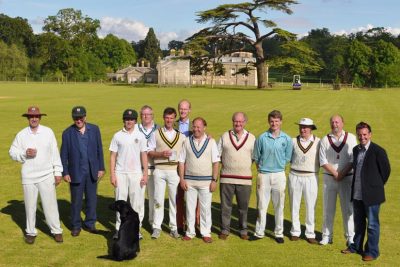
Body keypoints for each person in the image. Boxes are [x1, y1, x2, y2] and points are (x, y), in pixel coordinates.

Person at [9, 106, 64, 244]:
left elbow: (55, 153)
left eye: (36, 116)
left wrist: (57, 172)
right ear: (28, 118)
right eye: (31, 116)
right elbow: (12, 152)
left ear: (40, 118)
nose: (34, 119)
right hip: (28, 176)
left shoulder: (48, 132)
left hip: (46, 175)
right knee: (30, 206)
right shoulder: (21, 135)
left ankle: (56, 231)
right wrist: (24, 154)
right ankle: (31, 232)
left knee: (50, 205)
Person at [341, 122, 390, 261]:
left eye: (364, 134)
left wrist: (376, 186)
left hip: (372, 195)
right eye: (360, 134)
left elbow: (386, 171)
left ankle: (372, 252)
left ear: (370, 134)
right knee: (359, 223)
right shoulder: (356, 150)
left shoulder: (378, 151)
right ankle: (356, 247)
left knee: (373, 225)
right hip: (357, 194)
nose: (362, 137)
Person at [60, 106, 105, 237]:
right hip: (75, 172)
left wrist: (101, 167)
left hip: (92, 171)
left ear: (85, 117)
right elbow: (63, 155)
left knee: (92, 200)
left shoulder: (95, 129)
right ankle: (76, 225)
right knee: (76, 201)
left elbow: (99, 150)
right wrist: (65, 172)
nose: (78, 120)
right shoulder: (67, 133)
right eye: (75, 118)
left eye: (80, 117)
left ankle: (90, 224)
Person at [252, 110, 293, 244]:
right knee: (262, 205)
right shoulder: (262, 137)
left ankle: (278, 233)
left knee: (279, 205)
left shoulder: (286, 139)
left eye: (276, 121)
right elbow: (256, 158)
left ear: (281, 122)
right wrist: (263, 171)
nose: (274, 123)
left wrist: (277, 168)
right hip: (263, 175)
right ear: (268, 122)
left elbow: (287, 157)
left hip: (279, 175)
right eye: (272, 121)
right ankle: (259, 232)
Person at [179, 117, 220, 243]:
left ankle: (206, 232)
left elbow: (216, 163)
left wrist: (214, 180)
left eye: (199, 127)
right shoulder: (186, 141)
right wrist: (182, 179)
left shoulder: (211, 142)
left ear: (204, 128)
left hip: (206, 182)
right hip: (189, 181)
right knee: (190, 208)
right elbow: (181, 161)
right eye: (194, 127)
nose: (196, 129)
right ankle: (190, 232)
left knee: (205, 208)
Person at [109, 109, 148, 239]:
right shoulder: (117, 135)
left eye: (131, 119)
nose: (129, 121)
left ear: (135, 121)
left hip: (136, 173)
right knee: (120, 202)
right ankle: (118, 230)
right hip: (120, 173)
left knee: (137, 204)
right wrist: (113, 174)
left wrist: (145, 174)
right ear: (123, 120)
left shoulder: (141, 136)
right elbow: (113, 156)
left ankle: (136, 230)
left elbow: (144, 155)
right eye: (126, 119)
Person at [319, 115, 357, 246]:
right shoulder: (325, 139)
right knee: (328, 209)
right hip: (329, 179)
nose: (335, 124)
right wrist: (336, 173)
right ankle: (326, 236)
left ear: (342, 123)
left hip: (347, 178)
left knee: (348, 209)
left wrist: (342, 174)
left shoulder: (351, 138)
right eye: (332, 122)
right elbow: (322, 161)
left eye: (337, 122)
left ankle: (350, 237)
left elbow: (353, 158)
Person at [148, 107, 185, 239]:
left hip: (173, 171)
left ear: (174, 119)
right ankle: (157, 227)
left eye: (171, 118)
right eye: (167, 118)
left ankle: (173, 227)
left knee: (173, 200)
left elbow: (185, 154)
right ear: (163, 118)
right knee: (158, 199)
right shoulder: (155, 134)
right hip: (159, 170)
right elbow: (150, 152)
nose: (169, 120)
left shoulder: (181, 136)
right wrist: (161, 154)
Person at [217, 112, 255, 241]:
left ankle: (243, 230)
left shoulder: (251, 138)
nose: (238, 124)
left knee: (243, 207)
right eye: (235, 121)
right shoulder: (224, 136)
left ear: (245, 122)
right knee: (225, 206)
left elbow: (254, 158)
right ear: (232, 121)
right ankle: (224, 229)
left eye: (240, 121)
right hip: (226, 177)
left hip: (244, 179)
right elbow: (218, 155)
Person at [288, 118, 320, 244]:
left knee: (310, 206)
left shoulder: (318, 142)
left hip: (311, 176)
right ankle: (295, 231)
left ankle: (310, 233)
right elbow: (288, 157)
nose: (303, 129)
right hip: (294, 174)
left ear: (311, 128)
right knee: (294, 205)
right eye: (301, 126)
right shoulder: (292, 141)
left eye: (306, 127)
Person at [173, 99, 197, 234]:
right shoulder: (173, 124)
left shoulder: (194, 125)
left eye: (185, 109)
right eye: (181, 108)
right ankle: (179, 224)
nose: (182, 111)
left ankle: (194, 223)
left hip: (190, 164)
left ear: (189, 110)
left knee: (193, 196)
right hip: (176, 164)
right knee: (179, 196)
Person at [138, 105, 159, 227]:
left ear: (152, 116)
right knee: (138, 199)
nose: (146, 116)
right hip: (139, 170)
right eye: (143, 114)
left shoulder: (159, 129)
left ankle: (153, 223)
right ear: (141, 116)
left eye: (148, 114)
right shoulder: (135, 129)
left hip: (155, 169)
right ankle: (138, 224)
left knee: (154, 198)